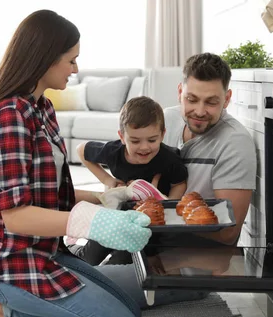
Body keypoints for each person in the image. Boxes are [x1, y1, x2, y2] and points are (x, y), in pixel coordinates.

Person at [0, 9, 205, 317]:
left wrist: (112, 197)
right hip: (11, 262)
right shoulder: (7, 118)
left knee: (131, 307)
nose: (75, 69)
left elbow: (48, 194)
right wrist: (95, 221)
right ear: (44, 58)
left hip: (46, 252)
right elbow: (16, 216)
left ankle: (11, 300)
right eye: (71, 60)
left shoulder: (40, 108)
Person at [68, 96, 188, 265]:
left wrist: (166, 206)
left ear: (162, 135)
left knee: (121, 261)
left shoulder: (170, 159)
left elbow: (179, 183)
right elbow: (81, 150)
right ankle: (72, 249)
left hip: (146, 223)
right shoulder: (113, 152)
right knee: (89, 258)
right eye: (135, 141)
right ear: (122, 137)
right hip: (116, 215)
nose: (144, 147)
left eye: (152, 140)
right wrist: (107, 179)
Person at [160, 52, 257, 247]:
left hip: (198, 258)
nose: (200, 111)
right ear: (180, 92)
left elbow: (227, 233)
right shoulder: (163, 121)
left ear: (227, 99)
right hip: (146, 246)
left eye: (211, 102)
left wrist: (160, 225)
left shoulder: (235, 142)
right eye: (191, 99)